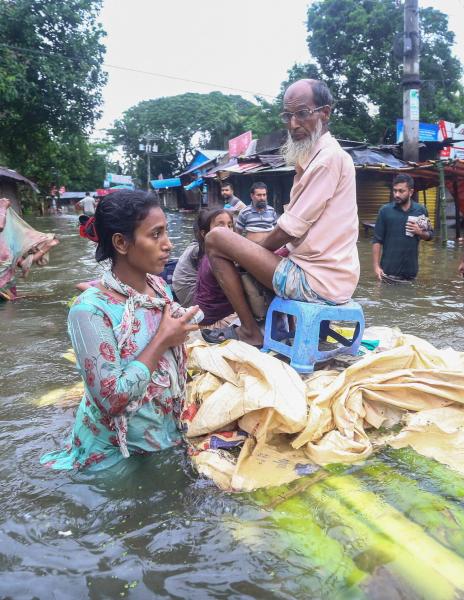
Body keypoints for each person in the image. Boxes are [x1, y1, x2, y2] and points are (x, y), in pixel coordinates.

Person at [41, 190, 201, 471]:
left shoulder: (158, 286)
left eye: (166, 233)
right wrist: (163, 340)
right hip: (113, 456)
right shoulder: (89, 312)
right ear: (121, 243)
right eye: (156, 235)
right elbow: (111, 399)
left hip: (163, 436)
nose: (169, 244)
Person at [202, 78, 359, 347]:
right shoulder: (315, 160)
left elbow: (289, 229)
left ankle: (251, 331)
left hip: (315, 282)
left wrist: (256, 251)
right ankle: (269, 326)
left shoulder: (327, 159)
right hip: (328, 278)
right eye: (288, 115)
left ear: (325, 112)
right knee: (248, 247)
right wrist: (255, 251)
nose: (293, 124)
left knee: (217, 238)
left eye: (302, 113)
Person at [372, 174, 433, 282]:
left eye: (401, 191)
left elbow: (430, 235)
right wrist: (376, 267)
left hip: (411, 274)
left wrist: (420, 232)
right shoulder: (385, 211)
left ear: (411, 192)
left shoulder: (420, 210)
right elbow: (377, 240)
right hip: (387, 273)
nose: (396, 194)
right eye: (395, 191)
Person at [193, 208, 239, 329]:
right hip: (214, 324)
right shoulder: (216, 260)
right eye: (220, 225)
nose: (227, 230)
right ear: (204, 234)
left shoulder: (209, 255)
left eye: (230, 225)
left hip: (206, 319)